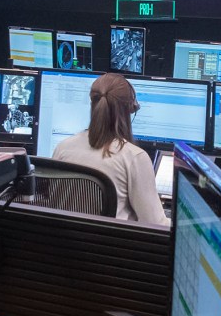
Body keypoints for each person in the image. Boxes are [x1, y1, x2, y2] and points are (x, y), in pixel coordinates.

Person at [52, 73, 168, 226]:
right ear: (129, 111)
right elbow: (155, 224)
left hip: (64, 246)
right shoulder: (134, 157)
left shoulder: (63, 147)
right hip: (110, 248)